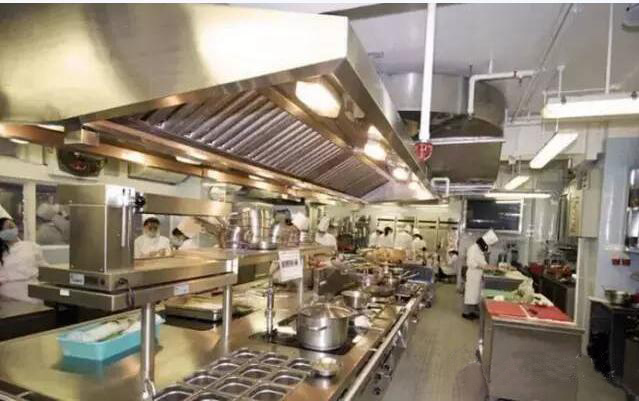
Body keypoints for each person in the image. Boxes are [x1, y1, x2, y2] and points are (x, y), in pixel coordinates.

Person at [0, 217, 48, 304]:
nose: (11, 230)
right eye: (6, 228)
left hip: (32, 295)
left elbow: (45, 269)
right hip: (6, 298)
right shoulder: (2, 252)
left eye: (12, 227)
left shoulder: (31, 246)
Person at [463, 229, 499, 319]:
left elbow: (483, 262)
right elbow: (470, 263)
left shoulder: (479, 250)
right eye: (487, 245)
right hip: (472, 275)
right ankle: (466, 313)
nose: (487, 247)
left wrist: (489, 266)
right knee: (470, 294)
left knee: (475, 295)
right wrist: (483, 267)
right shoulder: (473, 248)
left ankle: (472, 312)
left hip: (478, 275)